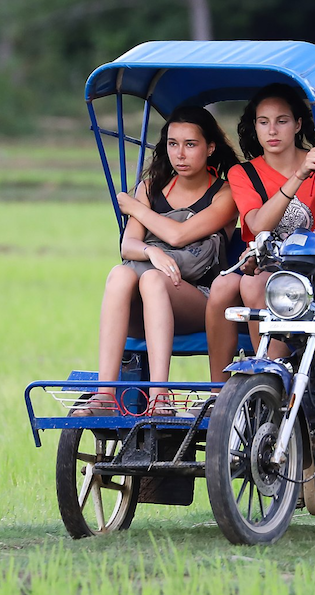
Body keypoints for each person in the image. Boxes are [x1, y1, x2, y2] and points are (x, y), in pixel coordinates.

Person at [74, 106, 239, 416]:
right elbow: (129, 246)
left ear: (210, 148)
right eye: (173, 144)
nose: (180, 154)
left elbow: (179, 236)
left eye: (191, 144)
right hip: (148, 304)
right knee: (120, 274)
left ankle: (159, 396)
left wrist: (136, 209)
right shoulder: (151, 188)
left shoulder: (224, 194)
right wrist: (151, 251)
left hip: (200, 300)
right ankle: (106, 394)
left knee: (150, 278)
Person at [206, 83, 315, 383]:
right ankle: (218, 392)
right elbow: (257, 225)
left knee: (255, 286)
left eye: (282, 121)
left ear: (298, 124)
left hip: (312, 269)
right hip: (260, 261)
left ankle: (270, 378)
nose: (272, 131)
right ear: (255, 127)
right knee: (222, 288)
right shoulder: (244, 173)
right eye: (263, 122)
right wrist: (298, 176)